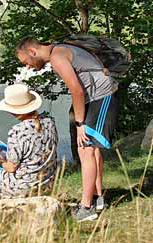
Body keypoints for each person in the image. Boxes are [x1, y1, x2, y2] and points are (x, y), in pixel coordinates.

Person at [15, 37, 118, 221]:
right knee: (91, 151)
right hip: (96, 98)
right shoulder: (60, 49)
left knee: (85, 149)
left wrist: (79, 124)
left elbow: (76, 90)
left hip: (101, 97)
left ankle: (86, 208)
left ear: (32, 51)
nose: (28, 67)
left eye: (26, 63)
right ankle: (97, 199)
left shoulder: (57, 57)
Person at [0, 84, 58, 204]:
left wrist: (0, 160)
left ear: (12, 111)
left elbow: (11, 168)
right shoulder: (50, 122)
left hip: (24, 186)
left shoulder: (17, 130)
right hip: (47, 182)